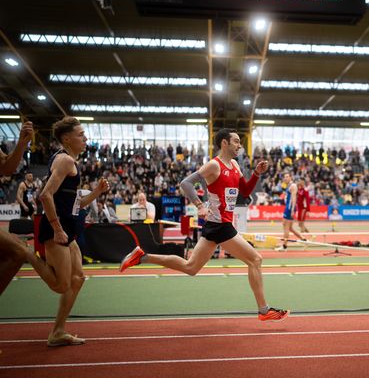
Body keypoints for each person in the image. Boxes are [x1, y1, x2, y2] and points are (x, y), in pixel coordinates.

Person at [120, 128, 289, 322]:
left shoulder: (234, 164)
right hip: (220, 225)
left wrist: (257, 174)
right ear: (224, 143)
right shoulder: (213, 165)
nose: (239, 145)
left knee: (190, 267)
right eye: (235, 141)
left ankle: (143, 257)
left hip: (217, 225)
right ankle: (264, 310)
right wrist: (199, 205)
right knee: (255, 259)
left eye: (240, 142)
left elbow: (244, 191)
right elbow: (185, 183)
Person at [22, 117, 110, 346]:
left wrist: (96, 192)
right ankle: (26, 253)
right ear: (67, 138)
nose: (85, 138)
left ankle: (58, 331)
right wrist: (57, 229)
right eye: (81, 134)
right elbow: (45, 195)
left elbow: (75, 205)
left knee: (78, 278)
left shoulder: (71, 162)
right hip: (56, 229)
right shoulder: (64, 160)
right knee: (61, 284)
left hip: (67, 228)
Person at [0, 121, 34, 295]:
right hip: (23, 207)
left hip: (30, 207)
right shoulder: (21, 185)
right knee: (19, 251)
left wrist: (22, 143)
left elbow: (7, 167)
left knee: (19, 250)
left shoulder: (31, 184)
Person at [277, 172, 305, 251]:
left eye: (287, 177)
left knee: (286, 226)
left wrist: (292, 210)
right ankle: (303, 239)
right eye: (284, 177)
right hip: (288, 208)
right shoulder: (289, 185)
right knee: (290, 228)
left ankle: (284, 246)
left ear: (290, 177)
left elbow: (294, 198)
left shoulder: (293, 186)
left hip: (289, 209)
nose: (285, 178)